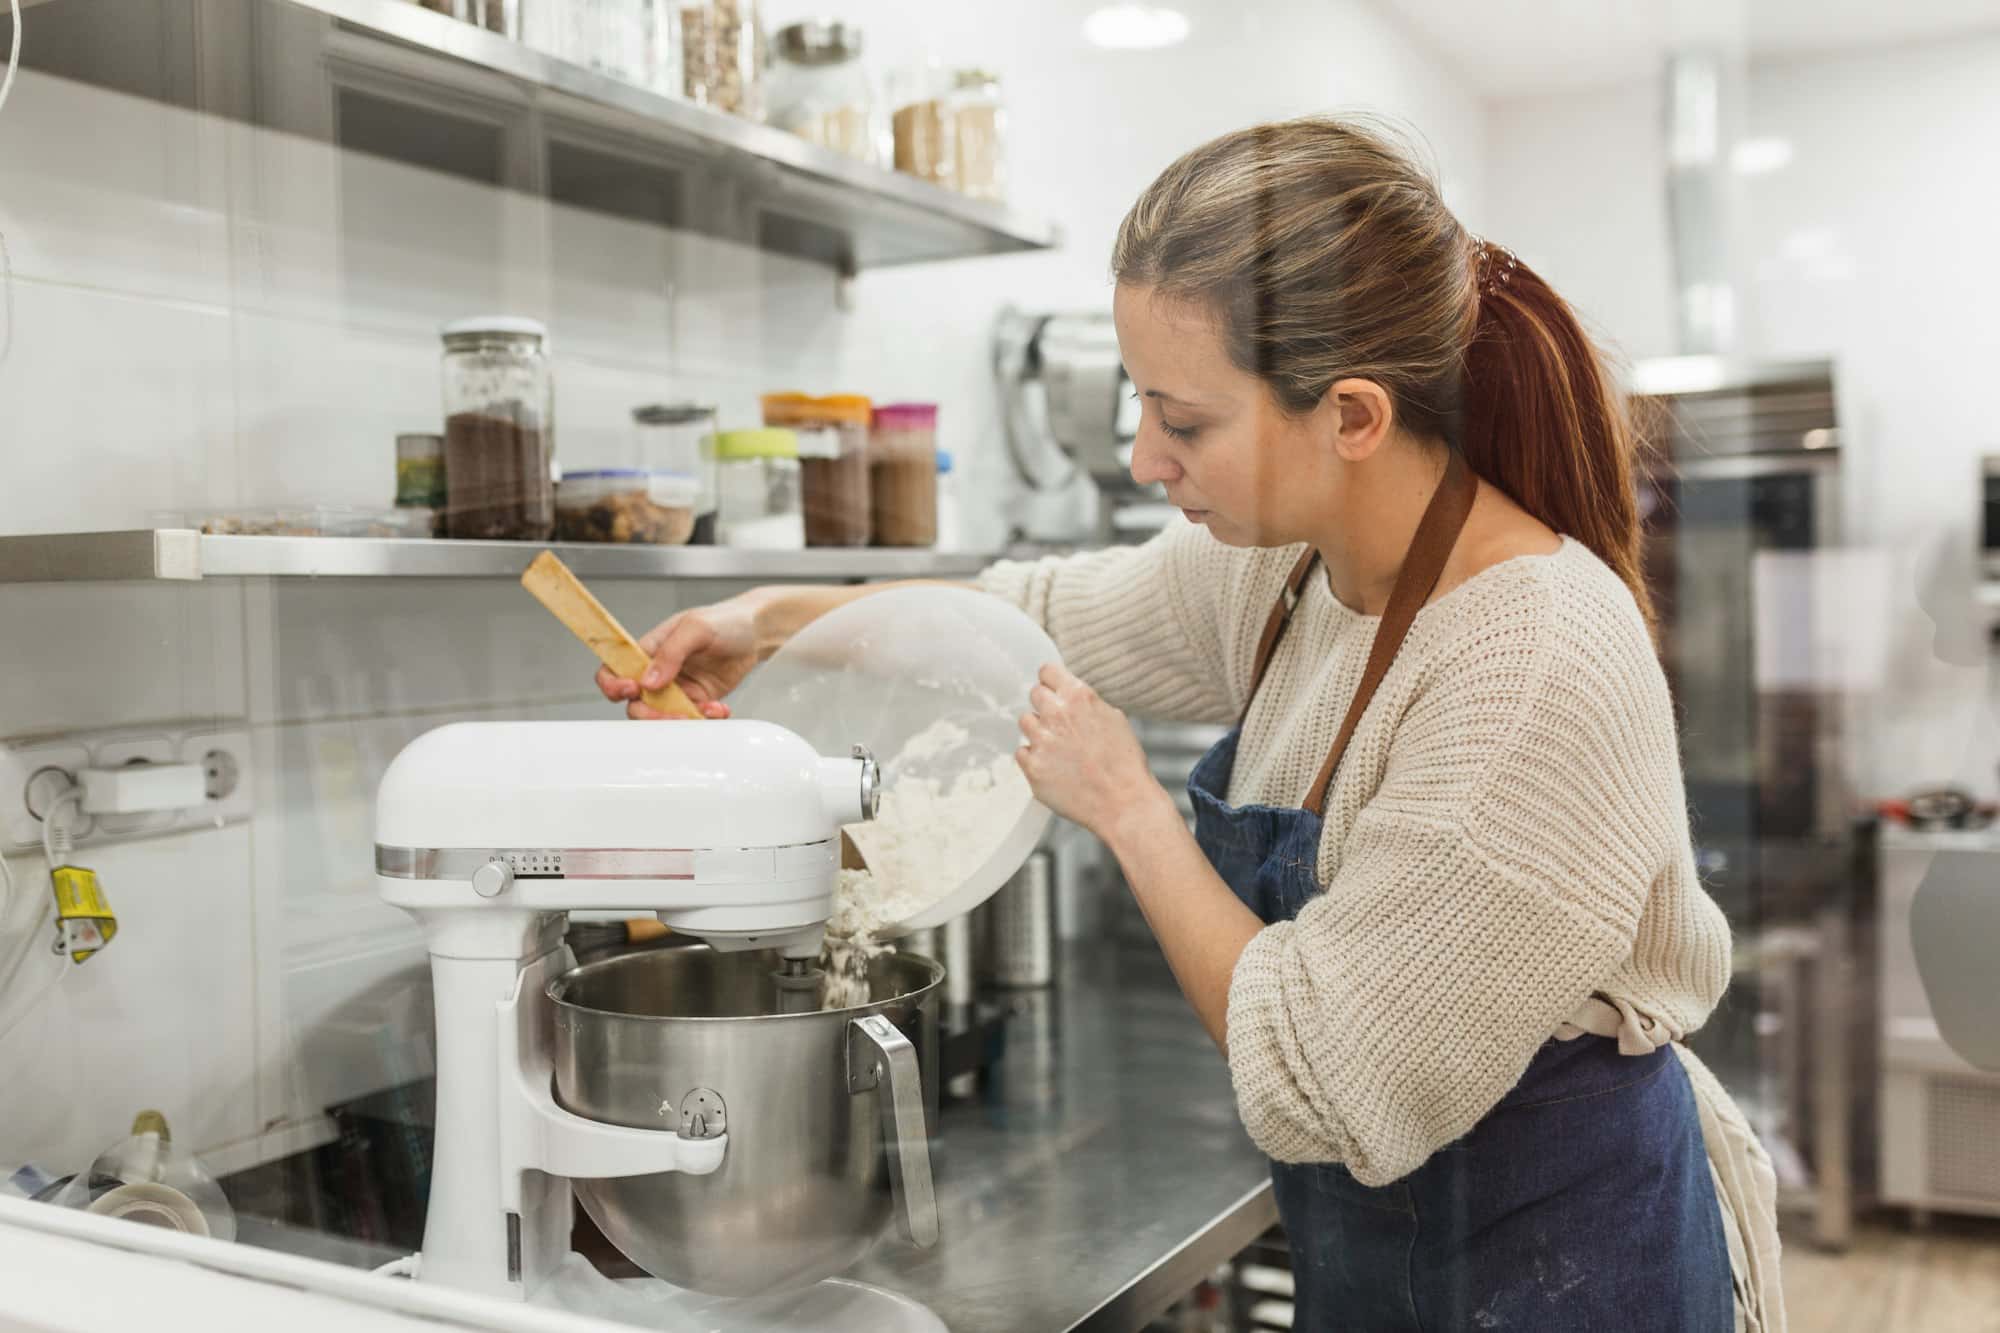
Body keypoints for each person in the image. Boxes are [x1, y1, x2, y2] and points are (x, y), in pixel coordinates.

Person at [598, 118, 1781, 1331]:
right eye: (1140, 405)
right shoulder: (1282, 569)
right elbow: (1025, 618)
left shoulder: (1531, 661)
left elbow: (1326, 1078)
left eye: (1185, 420)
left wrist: (1126, 806)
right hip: (1384, 1255)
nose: (1144, 455)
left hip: (1561, 1261)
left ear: (1353, 416)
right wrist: (772, 619)